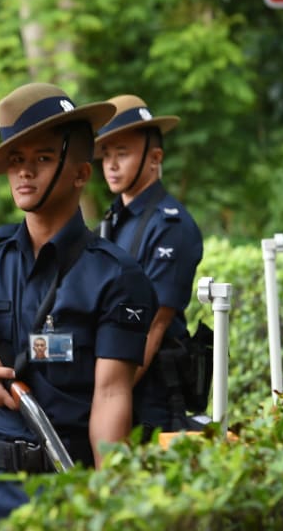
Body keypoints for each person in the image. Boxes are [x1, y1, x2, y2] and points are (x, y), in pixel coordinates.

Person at [0, 83, 157, 523]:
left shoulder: (117, 276)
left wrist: (110, 505)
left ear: (81, 173)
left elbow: (111, 396)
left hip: (70, 490)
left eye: (43, 159)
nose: (24, 173)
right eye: (16, 161)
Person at [94, 94, 204, 436]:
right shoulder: (114, 219)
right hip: (113, 391)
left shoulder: (170, 225)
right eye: (106, 155)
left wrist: (102, 400)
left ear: (155, 158)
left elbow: (154, 327)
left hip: (149, 398)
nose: (111, 164)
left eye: (122, 153)